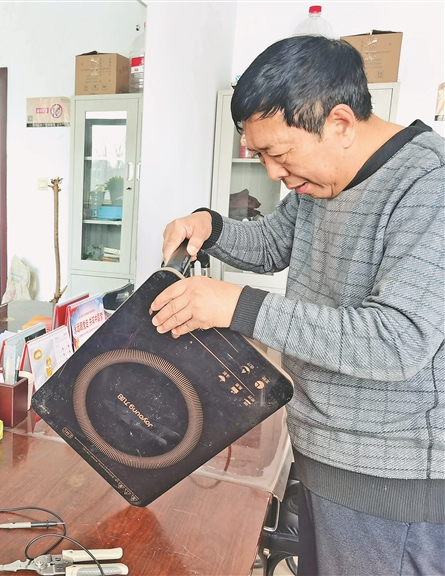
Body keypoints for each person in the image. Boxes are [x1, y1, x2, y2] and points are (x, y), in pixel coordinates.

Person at [151, 36, 444, 575]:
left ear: (340, 123)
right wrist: (210, 227)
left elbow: (397, 341)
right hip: (321, 456)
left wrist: (237, 306)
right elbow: (274, 243)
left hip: (389, 484)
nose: (272, 173)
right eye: (260, 155)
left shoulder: (430, 185)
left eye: (279, 154)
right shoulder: (321, 182)